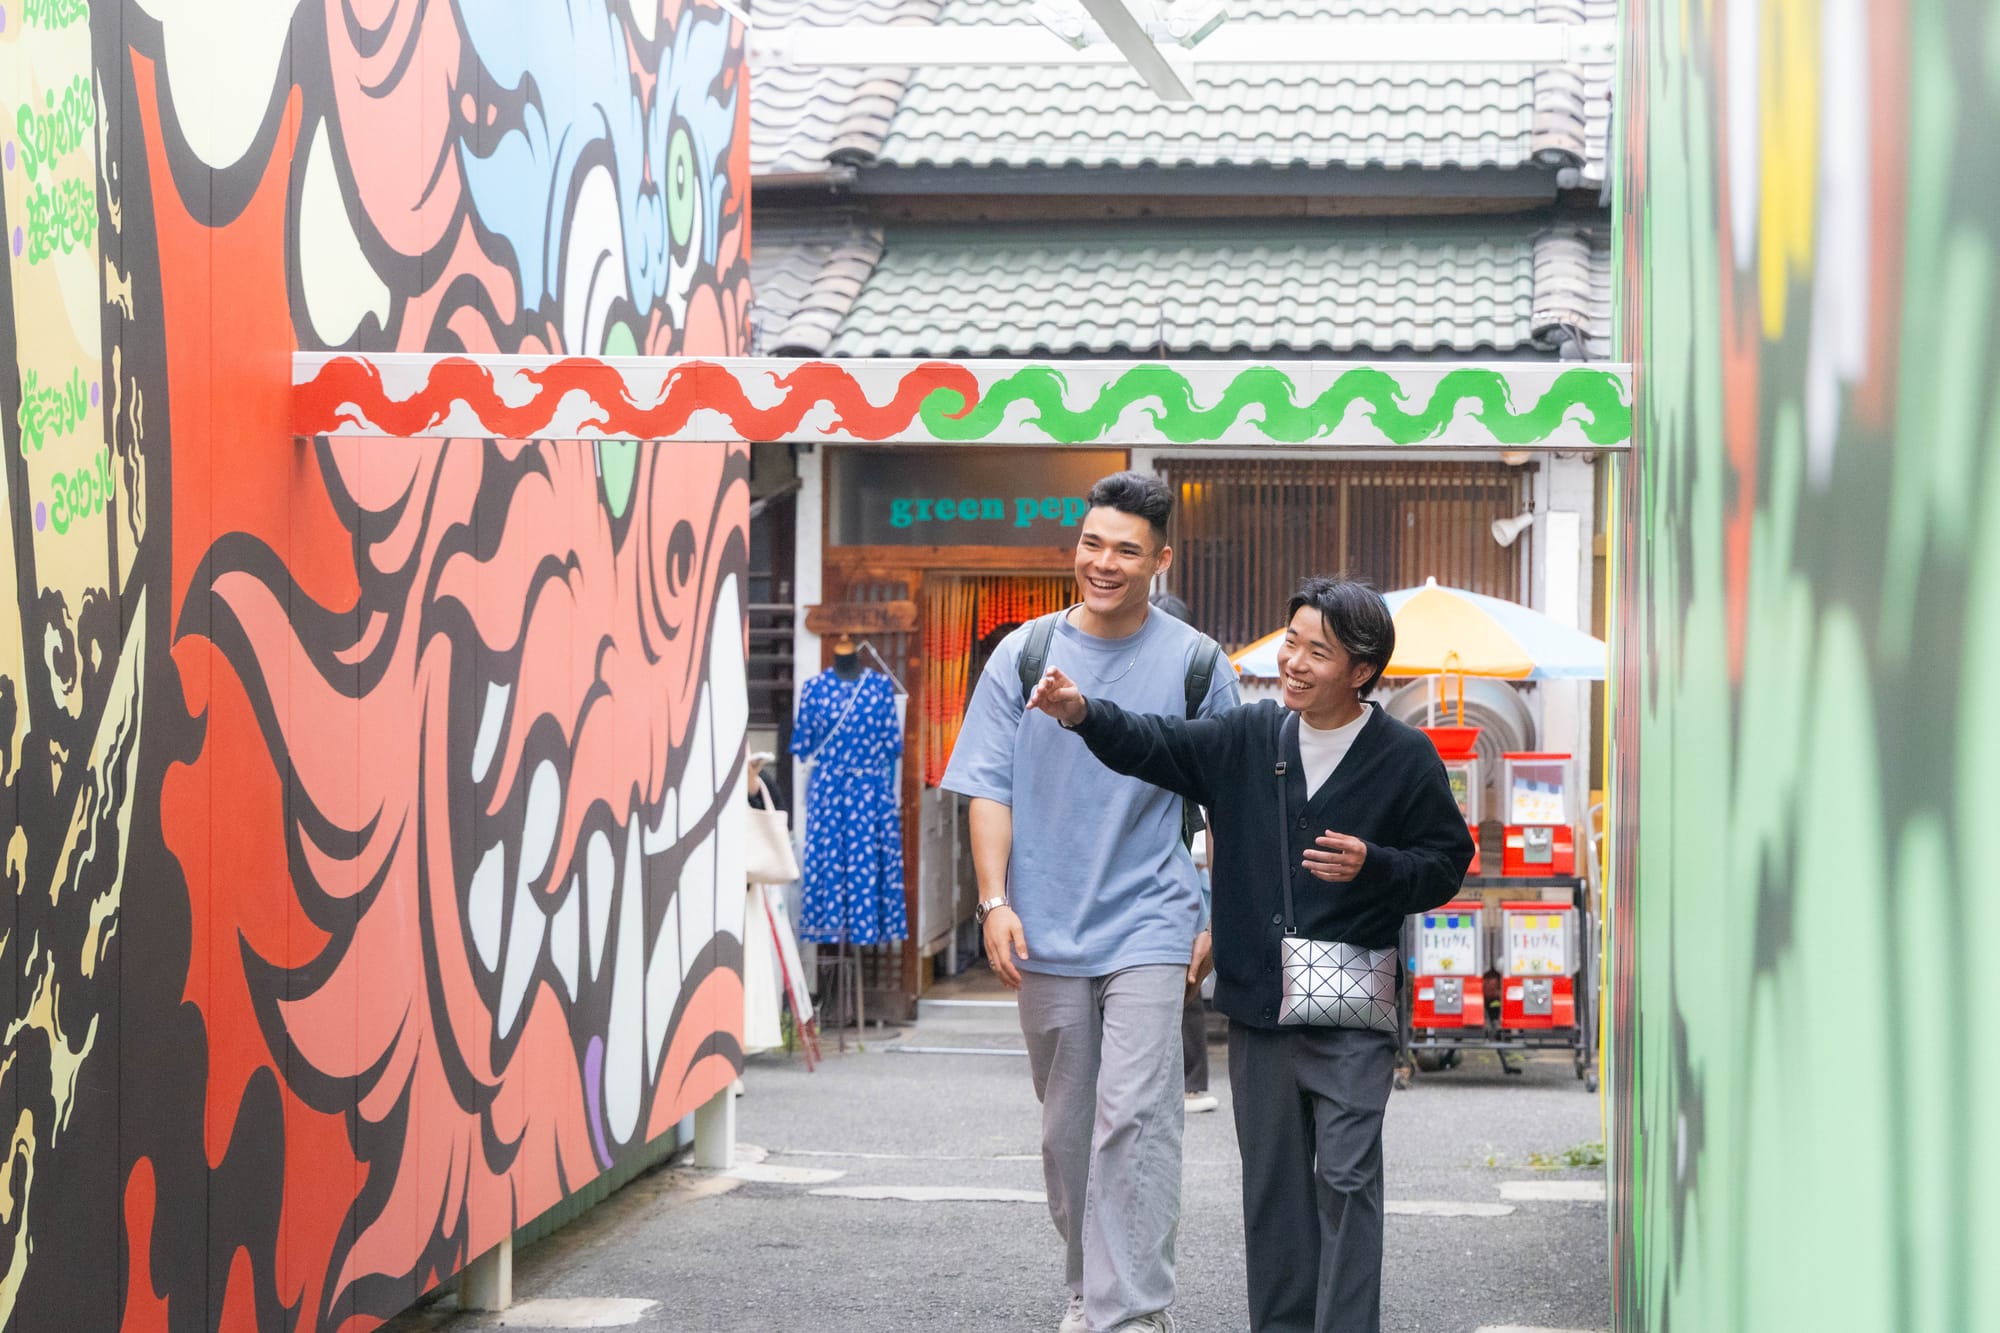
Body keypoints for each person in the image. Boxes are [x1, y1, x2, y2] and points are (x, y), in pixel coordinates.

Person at [1027, 576, 1474, 1333]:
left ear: (1361, 670)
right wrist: (1082, 714)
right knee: (1272, 1191)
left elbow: (1446, 860)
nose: (1294, 662)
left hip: (1352, 1011)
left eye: (1317, 651)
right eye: (1291, 641)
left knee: (1347, 1174)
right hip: (1260, 1011)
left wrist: (1375, 864)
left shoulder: (1403, 757)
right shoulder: (1250, 735)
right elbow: (1156, 740)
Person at [941, 472, 1240, 1333]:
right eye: (1092, 544)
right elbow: (987, 788)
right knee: (1067, 1130)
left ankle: (1130, 1310)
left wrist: (1214, 912)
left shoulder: (1194, 662)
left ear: (1160, 559)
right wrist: (993, 899)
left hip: (1151, 917)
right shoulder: (1023, 654)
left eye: (1126, 550)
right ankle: (1087, 1284)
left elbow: (1230, 799)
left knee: (1136, 1118)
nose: (1103, 563)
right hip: (1045, 922)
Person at [1148, 592, 1219, 1116]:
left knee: (1185, 967)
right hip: (1169, 850)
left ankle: (1194, 1080)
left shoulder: (1203, 685)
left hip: (1184, 851)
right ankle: (1184, 1080)